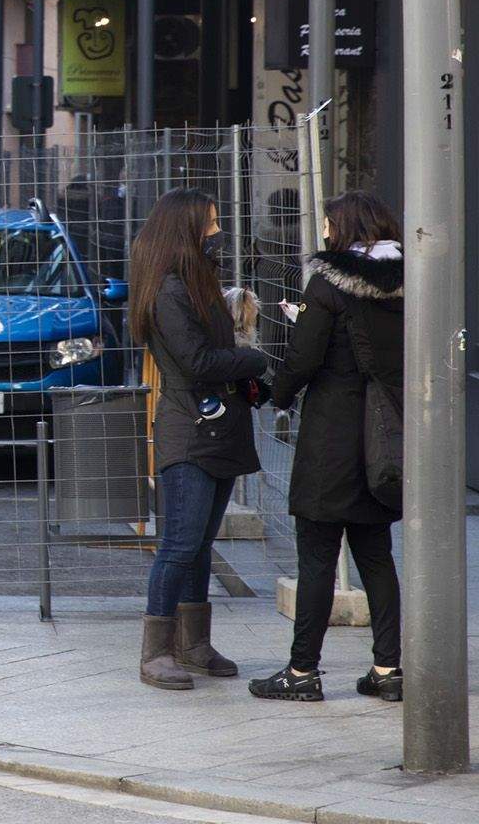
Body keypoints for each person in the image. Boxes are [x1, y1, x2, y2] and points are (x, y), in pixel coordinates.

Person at [250, 191, 404, 704]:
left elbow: (304, 357)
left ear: (344, 227)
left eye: (327, 224)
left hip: (332, 437)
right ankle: (387, 669)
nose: (323, 231)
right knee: (377, 556)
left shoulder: (328, 284)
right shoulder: (407, 283)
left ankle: (302, 674)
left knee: (317, 558)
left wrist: (276, 393)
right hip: (383, 437)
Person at [129, 188, 269, 691]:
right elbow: (198, 362)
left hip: (217, 426)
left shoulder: (196, 282)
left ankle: (193, 645)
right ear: (183, 231)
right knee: (180, 544)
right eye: (209, 224)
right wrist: (254, 360)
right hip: (190, 428)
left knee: (201, 544)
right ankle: (156, 652)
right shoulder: (168, 290)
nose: (217, 233)